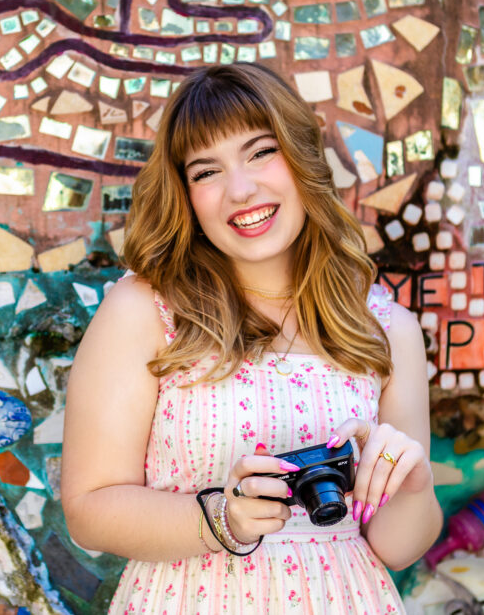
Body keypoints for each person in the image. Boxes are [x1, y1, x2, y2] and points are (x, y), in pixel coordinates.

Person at [61, 63, 441, 613]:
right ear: (186, 195)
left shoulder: (385, 329)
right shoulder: (144, 310)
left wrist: (413, 482)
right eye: (206, 172)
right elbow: (88, 509)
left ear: (302, 159)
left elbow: (398, 547)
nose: (240, 190)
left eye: (262, 152)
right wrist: (223, 517)